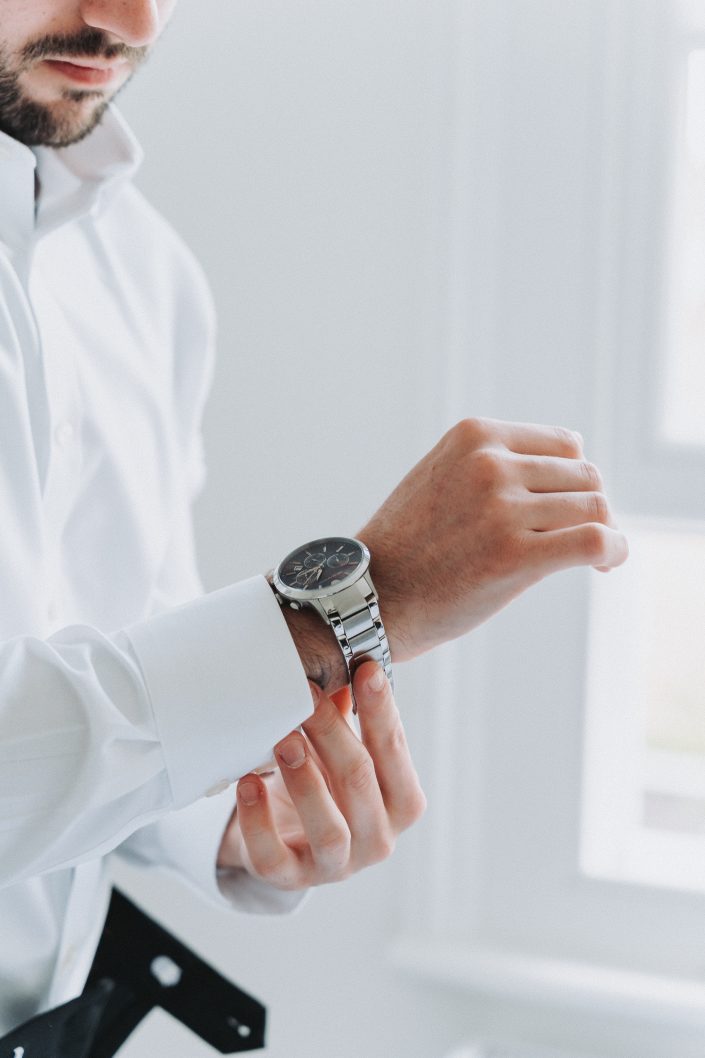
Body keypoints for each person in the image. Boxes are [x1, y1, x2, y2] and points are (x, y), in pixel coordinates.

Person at [0, 0, 629, 1042]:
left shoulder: (143, 273)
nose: (137, 19)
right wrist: (339, 613)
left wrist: (230, 817)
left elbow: (97, 659)